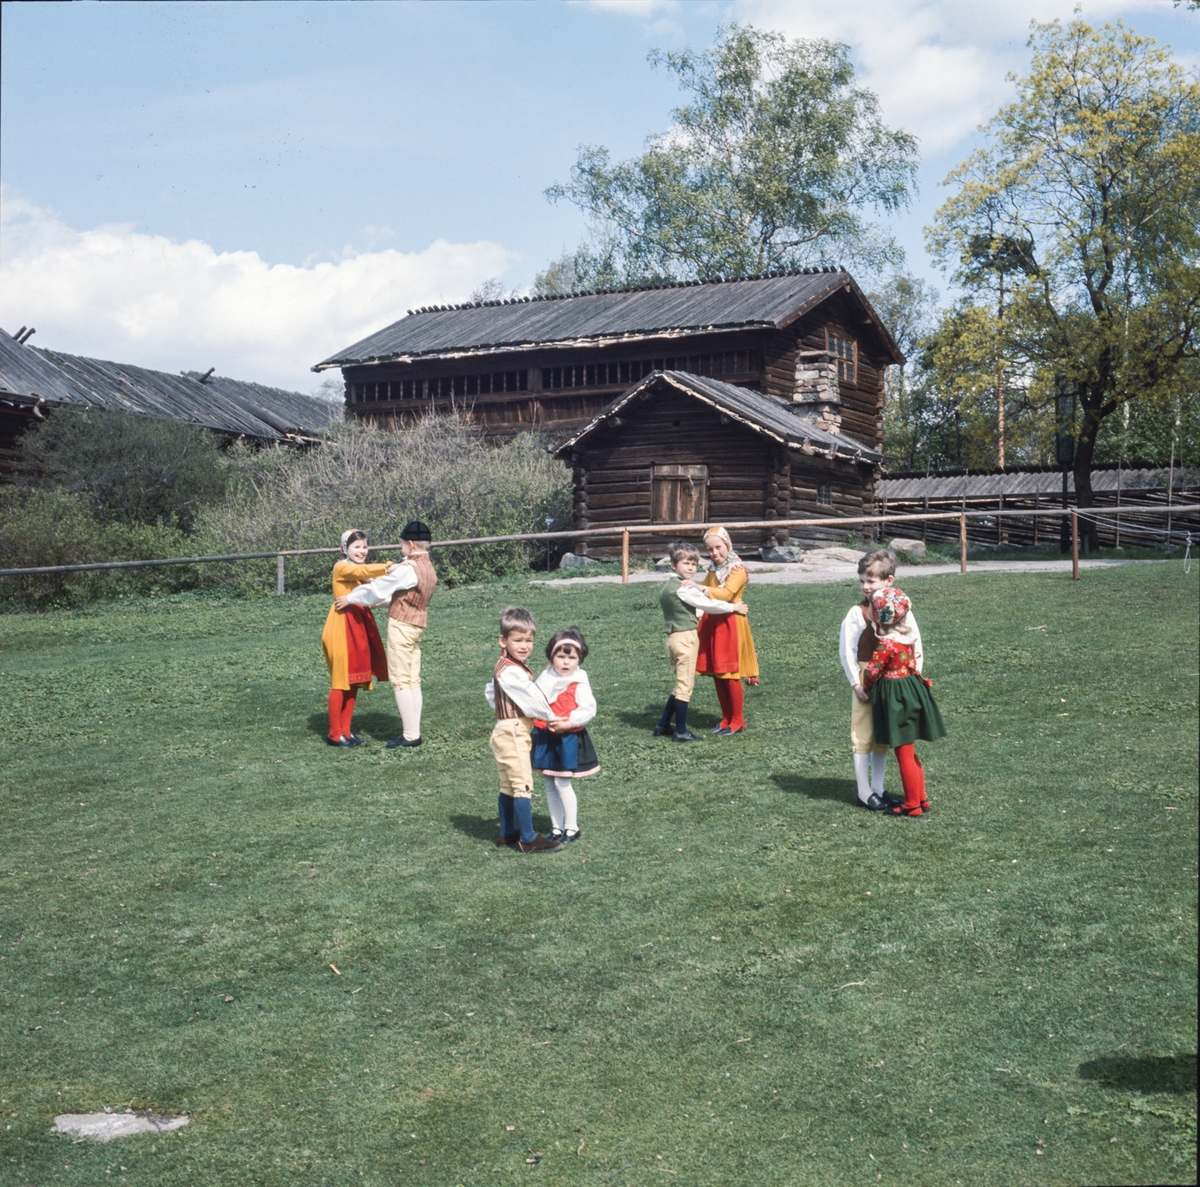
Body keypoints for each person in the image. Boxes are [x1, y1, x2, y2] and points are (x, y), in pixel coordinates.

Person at [338, 520, 437, 749]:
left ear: (411, 544)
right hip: (417, 626)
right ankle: (414, 732)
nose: (400, 547)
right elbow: (401, 595)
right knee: (412, 679)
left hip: (402, 626)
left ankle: (410, 735)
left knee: (401, 681)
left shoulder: (408, 569)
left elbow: (378, 589)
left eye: (402, 544)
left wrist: (351, 598)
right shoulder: (427, 567)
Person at [839, 549, 923, 811]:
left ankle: (878, 787)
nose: (865, 586)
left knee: (884, 734)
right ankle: (864, 791)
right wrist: (856, 682)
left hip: (894, 682)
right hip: (868, 678)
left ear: (889, 580)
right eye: (862, 580)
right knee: (864, 732)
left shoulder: (902, 609)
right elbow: (847, 650)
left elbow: (915, 643)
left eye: (871, 581)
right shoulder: (858, 613)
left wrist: (915, 674)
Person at [860, 587, 946, 817]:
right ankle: (921, 799)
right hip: (911, 689)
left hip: (896, 697)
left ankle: (911, 805)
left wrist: (865, 687)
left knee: (903, 753)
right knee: (910, 751)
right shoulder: (906, 638)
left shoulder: (886, 644)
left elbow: (872, 671)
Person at [484, 607, 564, 854]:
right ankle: (528, 838)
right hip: (514, 730)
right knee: (522, 784)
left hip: (504, 728)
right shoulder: (512, 670)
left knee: (507, 784)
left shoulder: (507, 665)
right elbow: (530, 697)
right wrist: (550, 716)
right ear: (503, 640)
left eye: (529, 640)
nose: (524, 646)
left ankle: (507, 832)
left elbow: (489, 692)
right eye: (517, 640)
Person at [654, 541, 747, 742]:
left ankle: (662, 724)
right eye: (685, 563)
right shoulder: (684, 589)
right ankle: (680, 731)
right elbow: (708, 605)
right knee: (685, 686)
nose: (690, 568)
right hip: (685, 637)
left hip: (672, 638)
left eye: (694, 564)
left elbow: (694, 608)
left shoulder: (668, 586)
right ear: (673, 565)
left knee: (679, 683)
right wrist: (733, 608)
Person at [320, 529, 390, 747]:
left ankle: (346, 732)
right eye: (357, 547)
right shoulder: (342, 567)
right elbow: (365, 570)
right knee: (340, 682)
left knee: (353, 682)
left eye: (364, 547)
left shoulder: (360, 574)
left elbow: (372, 594)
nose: (362, 551)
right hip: (341, 626)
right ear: (345, 549)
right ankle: (335, 734)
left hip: (357, 625)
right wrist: (390, 566)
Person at [531, 628, 598, 844]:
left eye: (572, 658)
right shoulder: (546, 678)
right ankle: (556, 827)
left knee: (562, 783)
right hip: (545, 735)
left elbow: (588, 708)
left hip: (566, 738)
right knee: (549, 782)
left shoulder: (578, 682)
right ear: (552, 657)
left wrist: (569, 722)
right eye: (561, 656)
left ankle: (571, 827)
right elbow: (534, 699)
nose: (566, 662)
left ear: (579, 659)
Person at [695, 526, 759, 735]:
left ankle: (738, 719)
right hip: (714, 620)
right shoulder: (713, 570)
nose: (715, 553)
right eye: (710, 549)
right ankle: (726, 718)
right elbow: (705, 590)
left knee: (729, 672)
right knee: (717, 673)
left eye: (718, 547)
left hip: (730, 622)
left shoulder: (737, 570)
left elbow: (726, 593)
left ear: (728, 545)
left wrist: (701, 589)